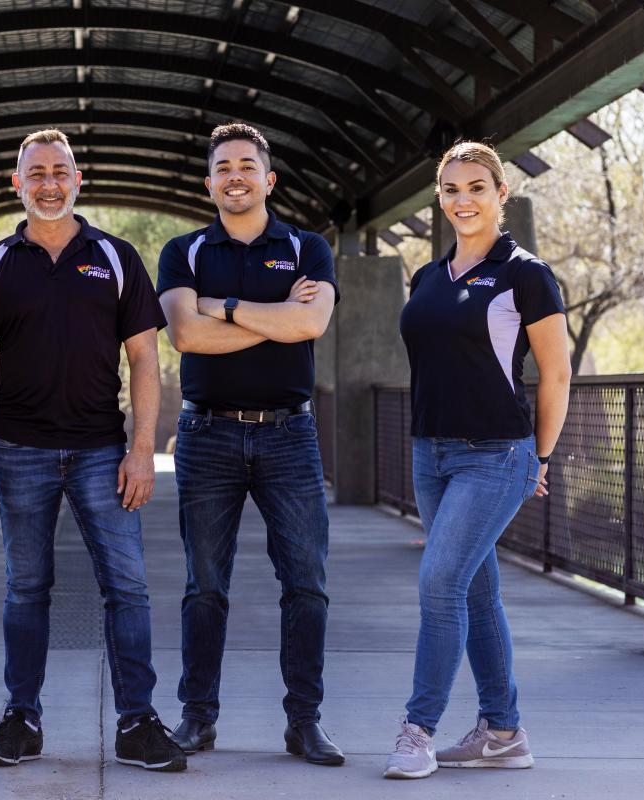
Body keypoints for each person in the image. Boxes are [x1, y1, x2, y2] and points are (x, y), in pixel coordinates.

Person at [0, 129, 185, 772]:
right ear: (17, 184)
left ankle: (138, 721)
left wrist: (142, 450)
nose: (49, 183)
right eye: (37, 174)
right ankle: (21, 718)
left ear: (77, 180)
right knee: (26, 588)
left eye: (60, 172)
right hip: (20, 449)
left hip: (99, 451)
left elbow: (144, 356)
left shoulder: (115, 257)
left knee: (128, 587)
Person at [382, 141, 571, 779]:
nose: (464, 200)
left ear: (500, 195)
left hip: (495, 454)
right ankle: (503, 732)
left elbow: (556, 376)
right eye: (452, 190)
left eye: (477, 188)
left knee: (440, 586)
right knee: (479, 593)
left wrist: (539, 455)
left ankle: (418, 729)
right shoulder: (428, 278)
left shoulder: (525, 273)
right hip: (430, 453)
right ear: (441, 198)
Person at [156, 122, 343, 766]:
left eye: (247, 165)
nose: (235, 175)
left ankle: (304, 722)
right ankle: (197, 718)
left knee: (306, 584)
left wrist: (225, 307)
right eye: (223, 167)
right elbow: (185, 336)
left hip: (291, 435)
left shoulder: (307, 246)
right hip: (206, 434)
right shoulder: (183, 252)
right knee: (204, 584)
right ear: (209, 183)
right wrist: (275, 321)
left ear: (269, 178)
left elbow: (311, 321)